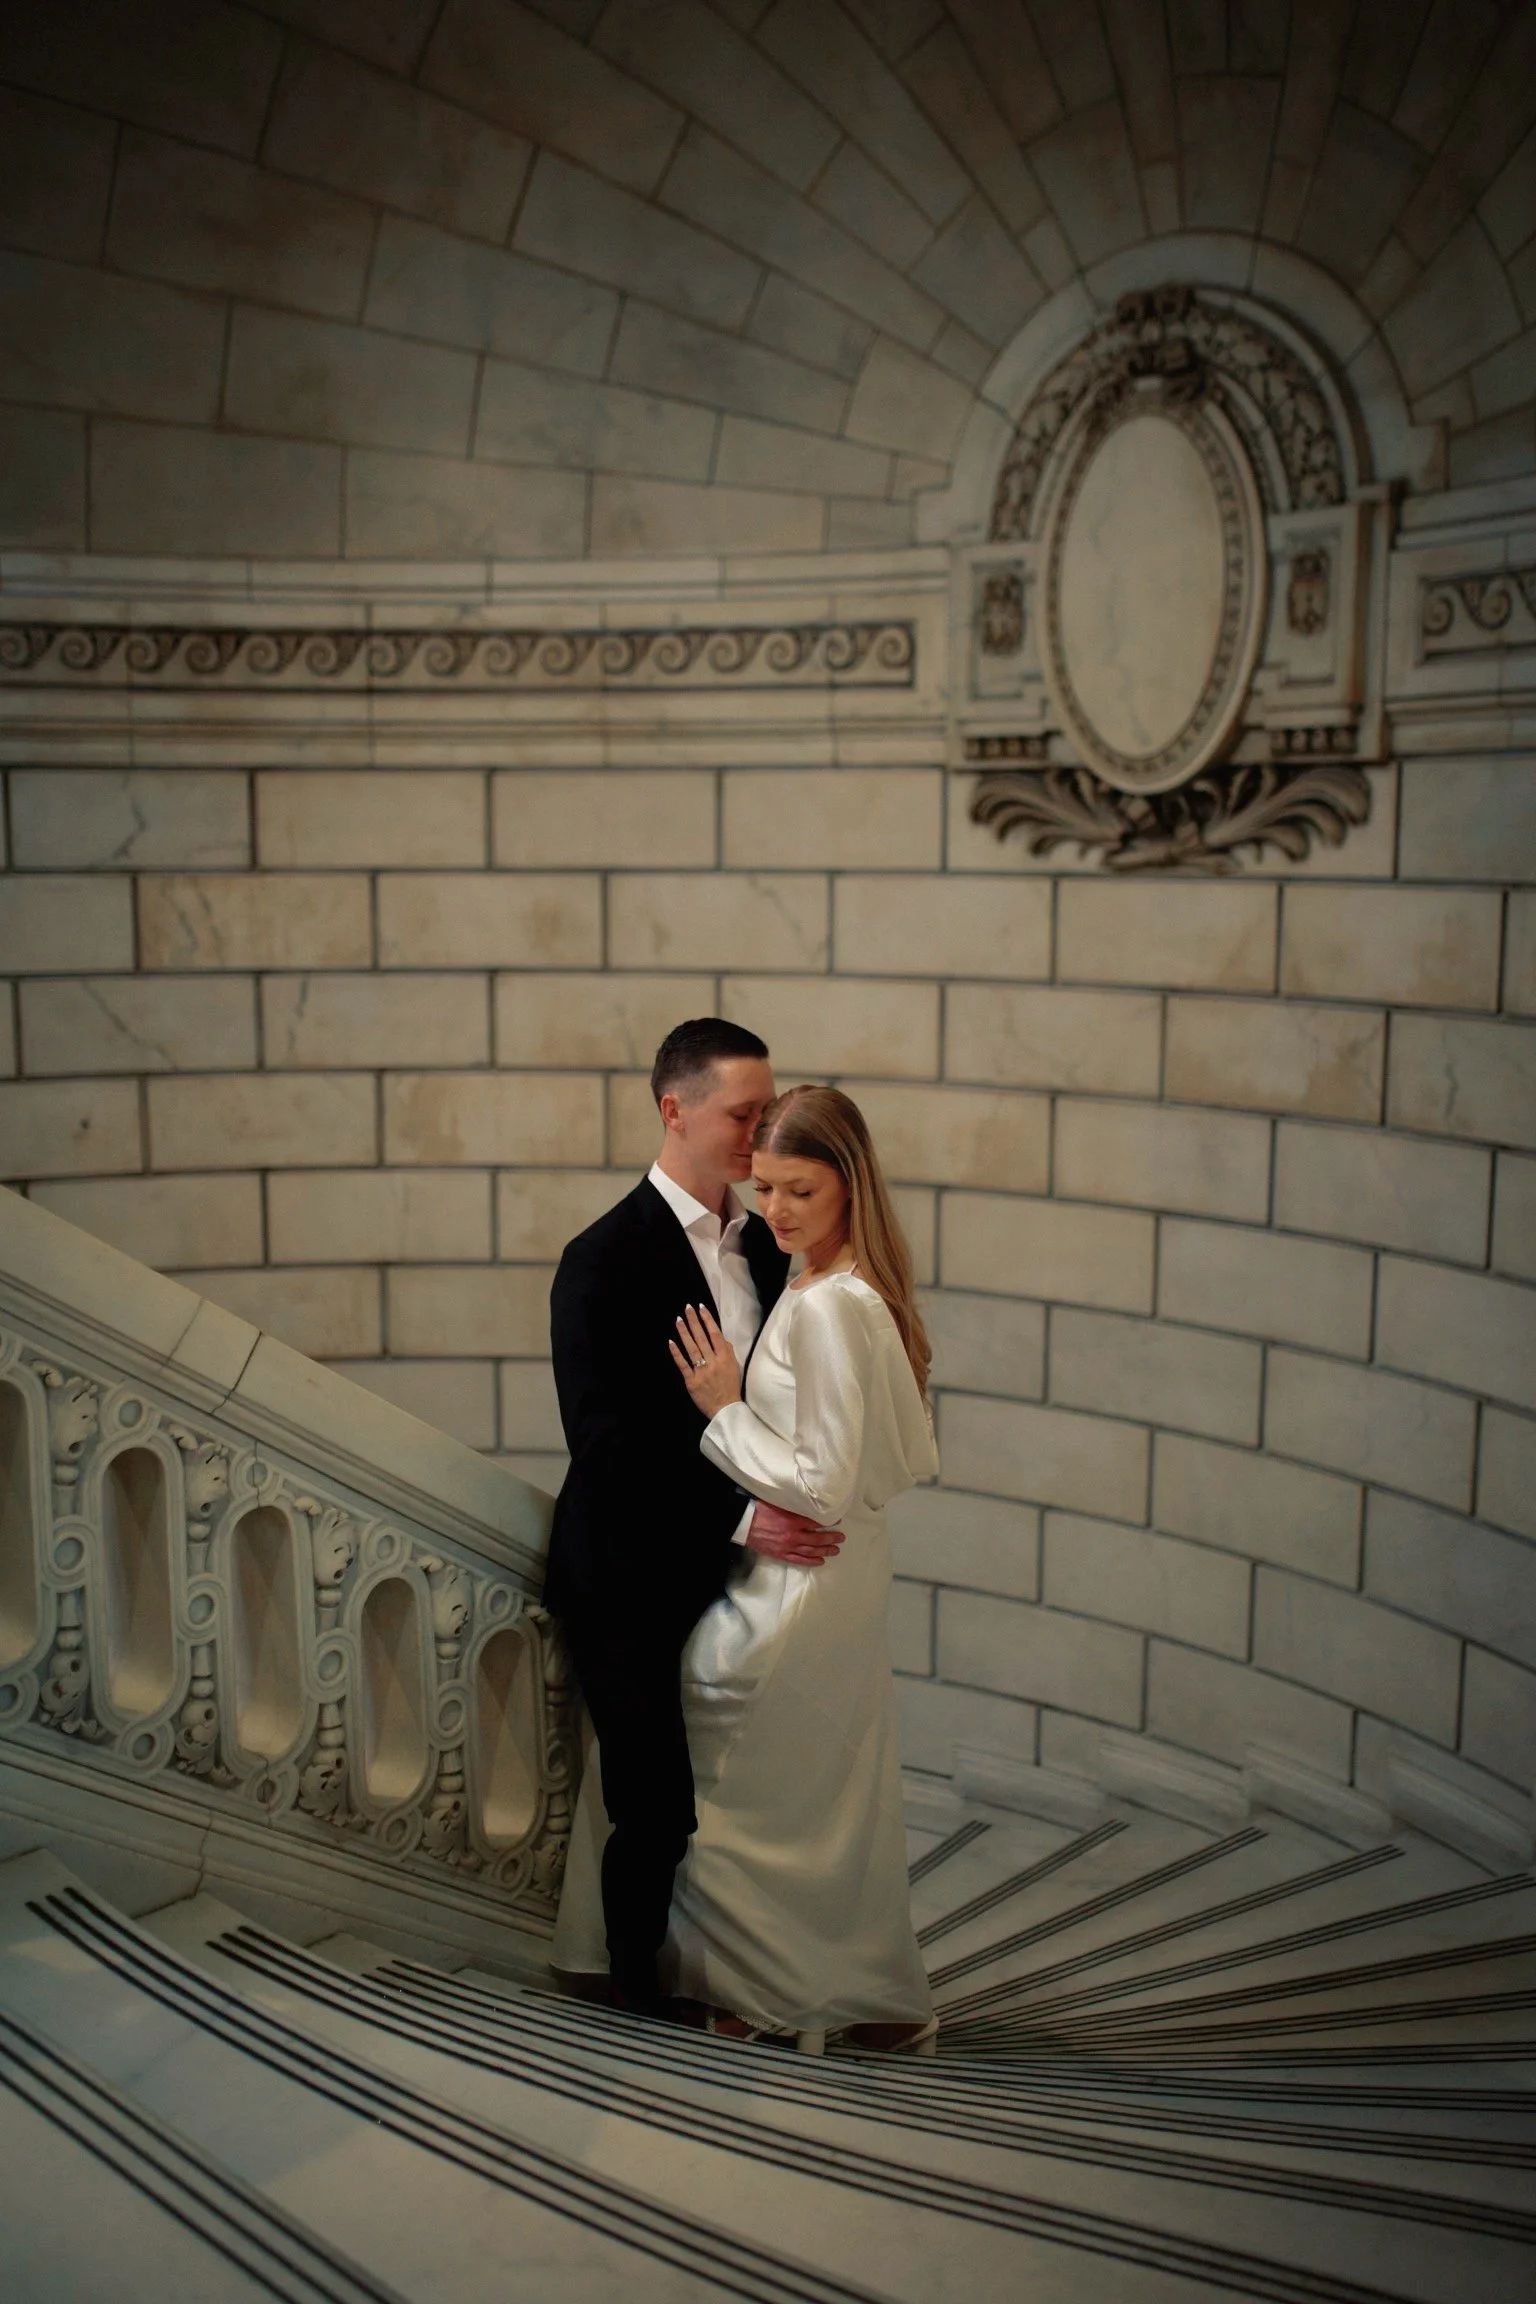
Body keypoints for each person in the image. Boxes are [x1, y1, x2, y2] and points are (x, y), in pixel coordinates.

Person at [558, 1082, 938, 2053]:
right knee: (813, 1788)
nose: (774, 1211)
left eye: (800, 1191)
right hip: (828, 1568)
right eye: (767, 1186)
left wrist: (724, 1408)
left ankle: (758, 1989)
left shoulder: (829, 1307)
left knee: (733, 1764)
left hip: (802, 1574)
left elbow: (825, 1477)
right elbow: (898, 1456)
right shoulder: (826, 1281)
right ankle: (844, 1990)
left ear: (850, 1186)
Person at [544, 1020, 841, 2014]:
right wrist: (744, 1521)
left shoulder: (763, 1245)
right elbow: (608, 1446)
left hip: (728, 1570)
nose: (762, 1142)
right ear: (674, 1110)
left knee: (760, 1785)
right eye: (743, 1117)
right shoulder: (597, 1260)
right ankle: (631, 1997)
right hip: (623, 1569)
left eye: (766, 1115)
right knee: (656, 1802)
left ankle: (748, 1973)